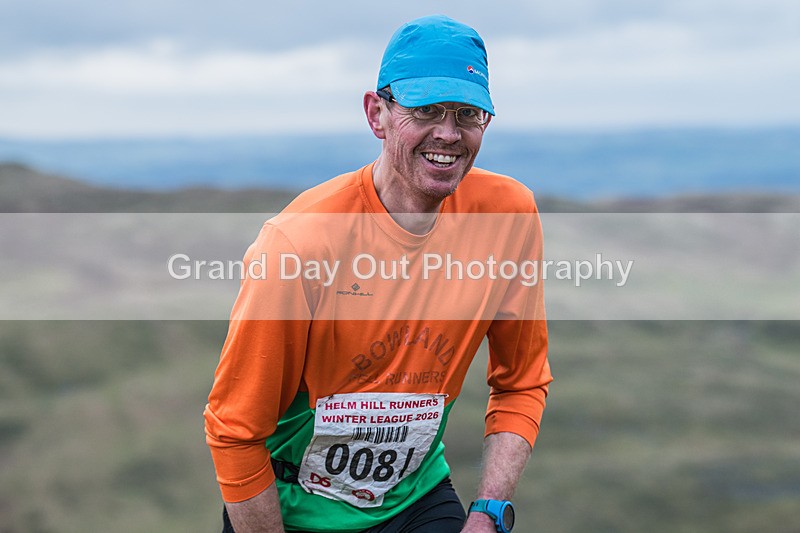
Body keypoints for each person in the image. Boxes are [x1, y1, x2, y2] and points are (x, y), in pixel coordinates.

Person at [204, 14, 552, 533]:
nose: (448, 134)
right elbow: (235, 431)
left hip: (415, 498)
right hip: (290, 510)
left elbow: (522, 382)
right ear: (377, 114)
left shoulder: (509, 215)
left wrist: (490, 510)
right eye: (426, 110)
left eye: (467, 114)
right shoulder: (300, 242)